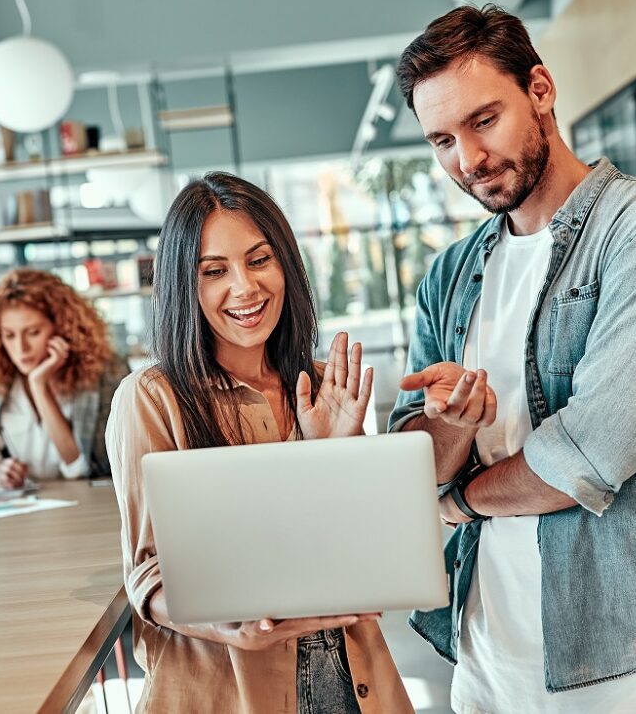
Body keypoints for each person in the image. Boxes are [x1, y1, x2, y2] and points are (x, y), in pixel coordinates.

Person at [388, 5, 636, 713]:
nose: (468, 159)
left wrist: (459, 500)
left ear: (541, 91)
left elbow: (594, 449)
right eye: (442, 140)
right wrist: (453, 425)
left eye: (483, 121)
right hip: (492, 671)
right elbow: (411, 469)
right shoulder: (450, 276)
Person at [106, 172, 413, 713]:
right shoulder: (151, 399)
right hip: (230, 689)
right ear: (186, 285)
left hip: (350, 679)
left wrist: (331, 458)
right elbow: (147, 574)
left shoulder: (324, 387)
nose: (245, 288)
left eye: (259, 260)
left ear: (286, 266)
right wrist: (229, 627)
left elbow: (363, 557)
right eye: (214, 271)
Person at [0, 267, 128, 488]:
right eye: (9, 335)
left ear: (62, 328)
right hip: (25, 507)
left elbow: (81, 469)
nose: (21, 348)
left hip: (88, 503)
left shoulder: (104, 374)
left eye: (33, 332)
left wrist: (39, 387)